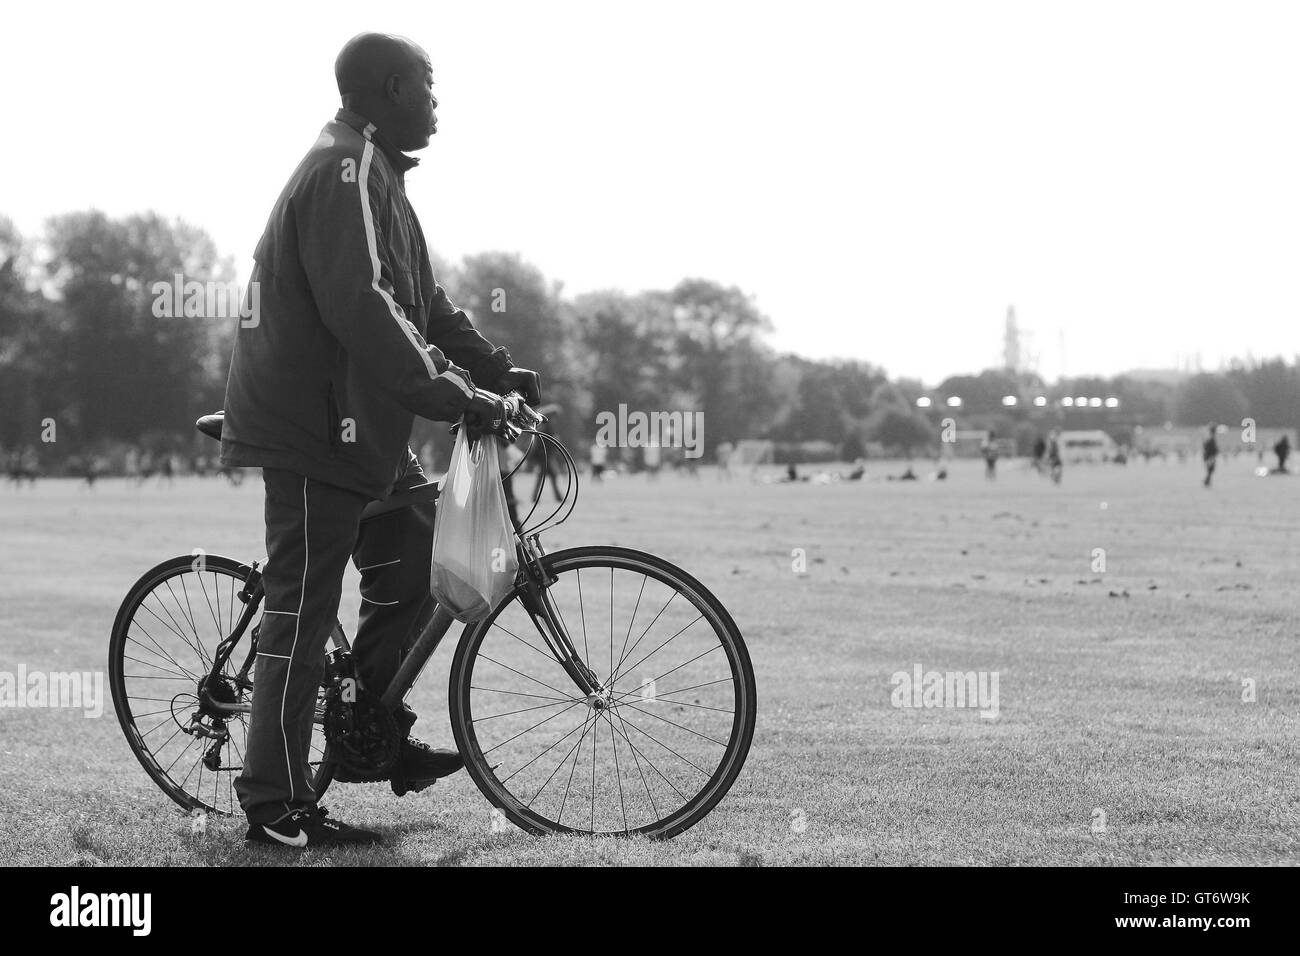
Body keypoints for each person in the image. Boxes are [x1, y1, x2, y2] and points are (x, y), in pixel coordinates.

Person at [219, 32, 541, 849]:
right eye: (429, 87)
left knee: (417, 554)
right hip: (314, 429)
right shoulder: (343, 170)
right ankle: (274, 802)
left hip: (364, 427)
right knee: (302, 608)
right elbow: (360, 305)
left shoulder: (383, 179)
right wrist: (451, 394)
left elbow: (424, 305)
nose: (437, 103)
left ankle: (368, 730)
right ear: (392, 87)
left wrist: (498, 373)